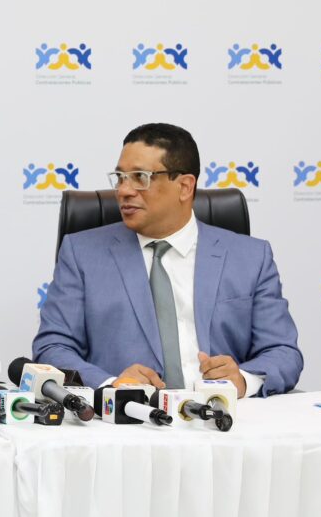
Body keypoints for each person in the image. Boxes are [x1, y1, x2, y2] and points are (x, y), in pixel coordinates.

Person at [32, 123, 302, 397]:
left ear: (184, 187)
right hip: (130, 416)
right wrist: (111, 386)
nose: (124, 191)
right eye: (121, 177)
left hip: (223, 413)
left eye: (140, 177)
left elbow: (282, 351)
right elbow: (52, 348)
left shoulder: (250, 257)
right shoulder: (82, 254)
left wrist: (242, 380)